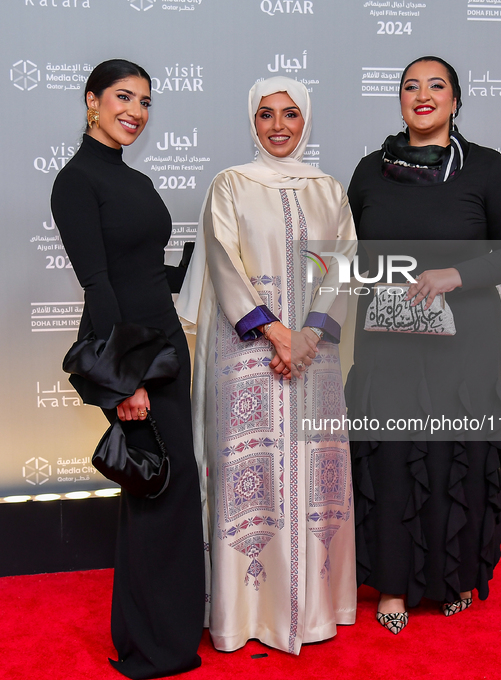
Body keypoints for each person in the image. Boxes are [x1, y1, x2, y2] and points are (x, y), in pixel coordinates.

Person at [346, 56, 501, 634]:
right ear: (399, 100)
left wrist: (456, 275)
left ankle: (449, 577)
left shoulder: (487, 170)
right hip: (387, 342)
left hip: (466, 345)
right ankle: (393, 587)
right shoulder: (367, 172)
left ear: (456, 100)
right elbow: (347, 254)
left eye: (437, 86)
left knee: (451, 456)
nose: (422, 95)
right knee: (391, 459)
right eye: (411, 86)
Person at [176, 76, 357, 655]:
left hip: (315, 360)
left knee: (312, 472)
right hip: (250, 356)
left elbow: (345, 265)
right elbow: (225, 264)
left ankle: (315, 609)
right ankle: (247, 611)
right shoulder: (230, 184)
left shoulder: (330, 190)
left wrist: (307, 336)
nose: (278, 127)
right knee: (250, 478)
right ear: (250, 121)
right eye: (265, 115)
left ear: (307, 120)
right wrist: (277, 334)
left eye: (290, 114)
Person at [51, 59, 204, 678]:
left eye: (145, 101)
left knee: (171, 491)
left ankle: (169, 633)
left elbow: (144, 274)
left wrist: (205, 270)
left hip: (167, 346)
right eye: (122, 97)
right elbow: (99, 285)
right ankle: (150, 647)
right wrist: (125, 383)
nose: (135, 112)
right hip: (139, 361)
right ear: (92, 101)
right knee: (155, 493)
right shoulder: (76, 181)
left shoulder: (132, 180)